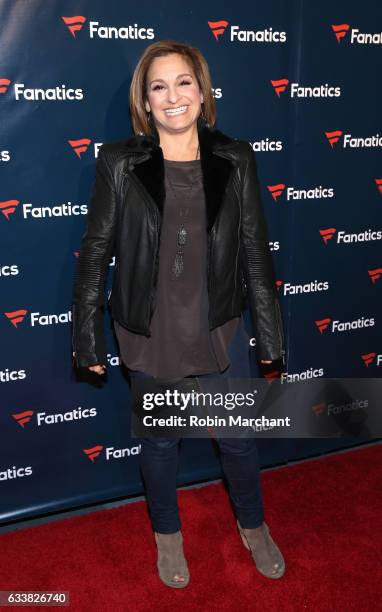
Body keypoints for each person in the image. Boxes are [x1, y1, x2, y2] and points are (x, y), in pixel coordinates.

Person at [72, 40, 286, 588]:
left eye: (183, 82)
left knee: (238, 439)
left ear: (202, 90)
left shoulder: (234, 158)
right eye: (158, 86)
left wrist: (271, 336)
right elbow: (96, 250)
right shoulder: (119, 162)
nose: (173, 96)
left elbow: (256, 251)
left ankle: (254, 525)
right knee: (162, 443)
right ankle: (168, 534)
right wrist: (87, 339)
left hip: (220, 327)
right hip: (151, 333)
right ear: (145, 101)